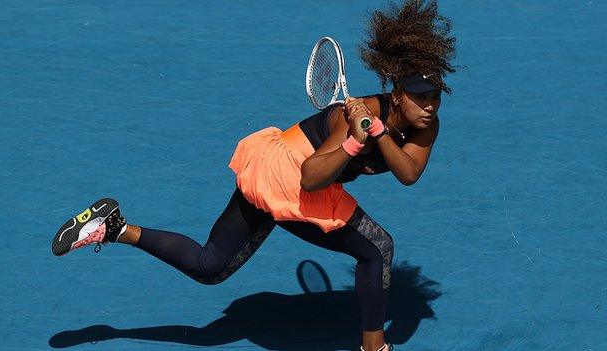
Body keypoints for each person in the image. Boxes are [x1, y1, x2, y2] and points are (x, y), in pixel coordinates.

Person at [50, 1, 456, 350]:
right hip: (291, 178)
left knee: (211, 267)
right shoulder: (353, 115)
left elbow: (409, 173)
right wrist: (353, 141)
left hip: (276, 176)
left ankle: (116, 227)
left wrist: (378, 133)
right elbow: (312, 178)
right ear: (397, 93)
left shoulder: (423, 124)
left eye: (435, 96)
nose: (429, 106)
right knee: (378, 248)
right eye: (420, 97)